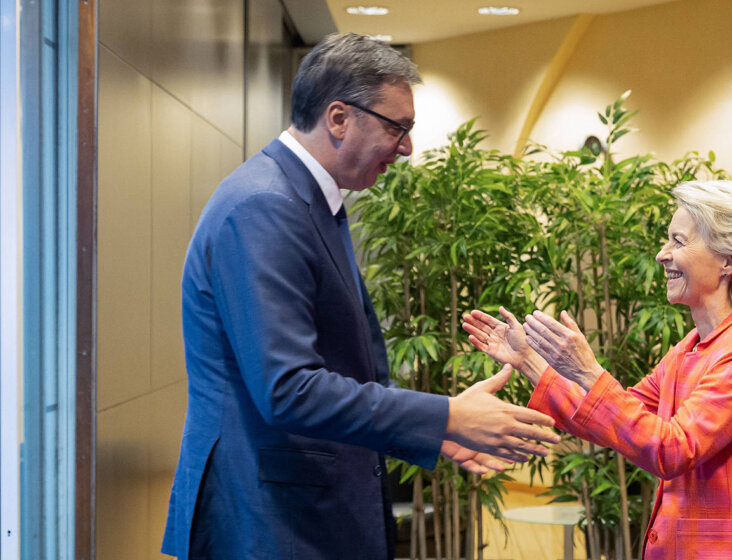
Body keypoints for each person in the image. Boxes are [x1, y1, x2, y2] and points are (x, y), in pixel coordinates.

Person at [161, 33, 559, 560]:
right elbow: (289, 389)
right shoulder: (265, 206)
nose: (408, 147)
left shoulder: (306, 199)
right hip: (267, 521)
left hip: (297, 510)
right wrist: (445, 416)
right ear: (339, 118)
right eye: (399, 127)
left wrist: (431, 434)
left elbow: (342, 371)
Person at [463, 180, 732, 559]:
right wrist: (529, 361)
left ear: (729, 260)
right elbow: (611, 422)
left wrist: (589, 371)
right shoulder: (690, 347)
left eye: (678, 241)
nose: (661, 255)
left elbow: (671, 450)